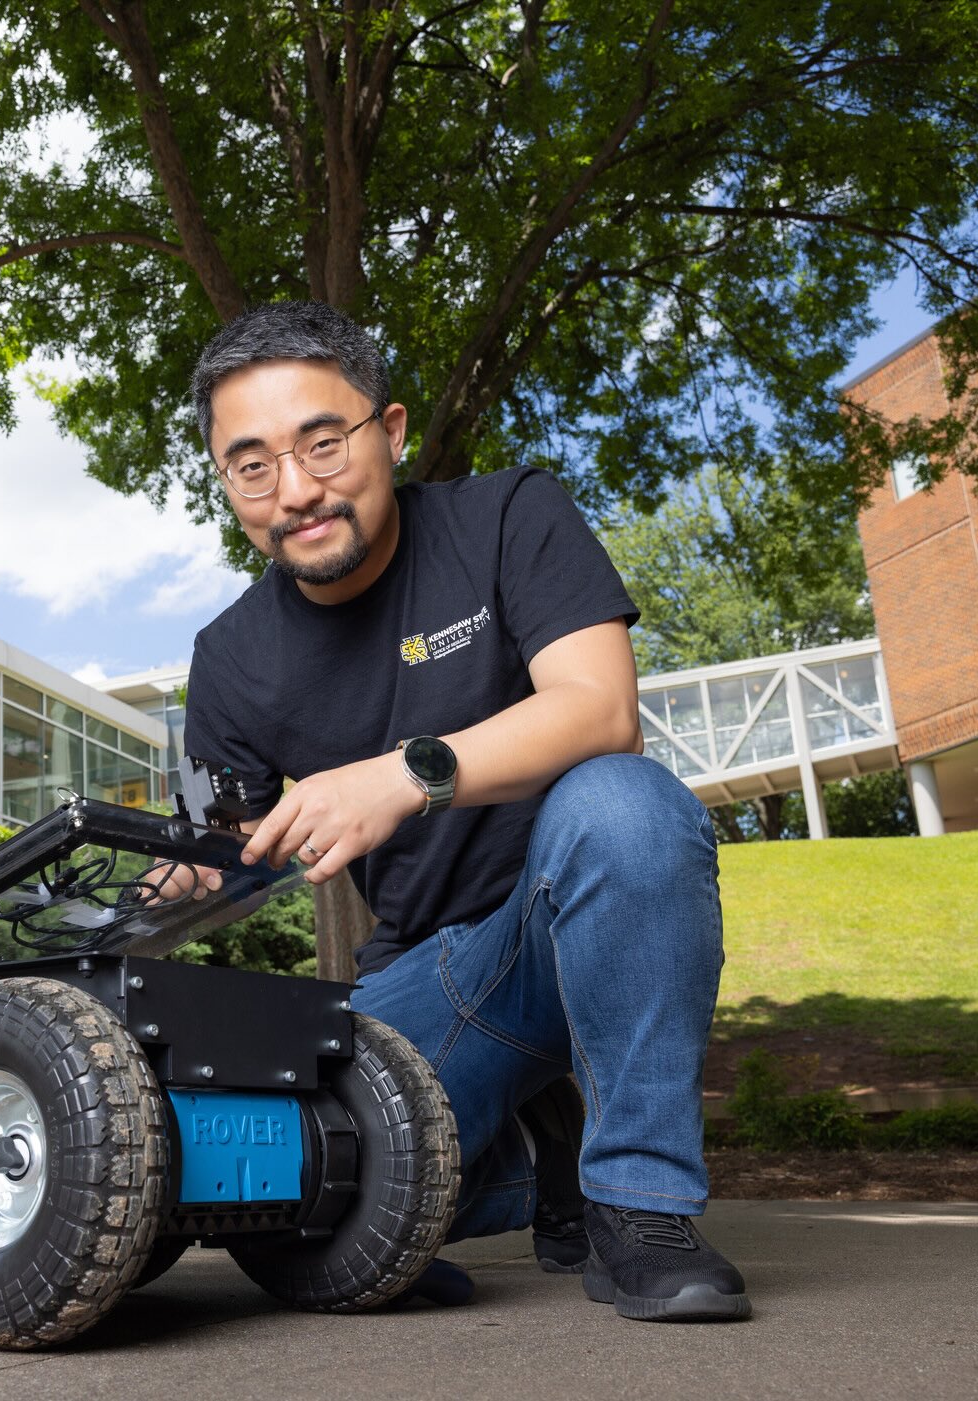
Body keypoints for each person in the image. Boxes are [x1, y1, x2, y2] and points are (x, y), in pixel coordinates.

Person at [176, 302, 750, 1323]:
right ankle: (545, 1159)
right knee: (265, 1183)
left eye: (323, 442)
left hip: (579, 920)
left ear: (389, 432)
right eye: (252, 465)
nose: (297, 491)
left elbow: (601, 709)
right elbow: (228, 856)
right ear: (226, 481)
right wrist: (150, 878)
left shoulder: (507, 515)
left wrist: (401, 776)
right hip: (430, 981)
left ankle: (640, 1206)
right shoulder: (229, 659)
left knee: (627, 805)